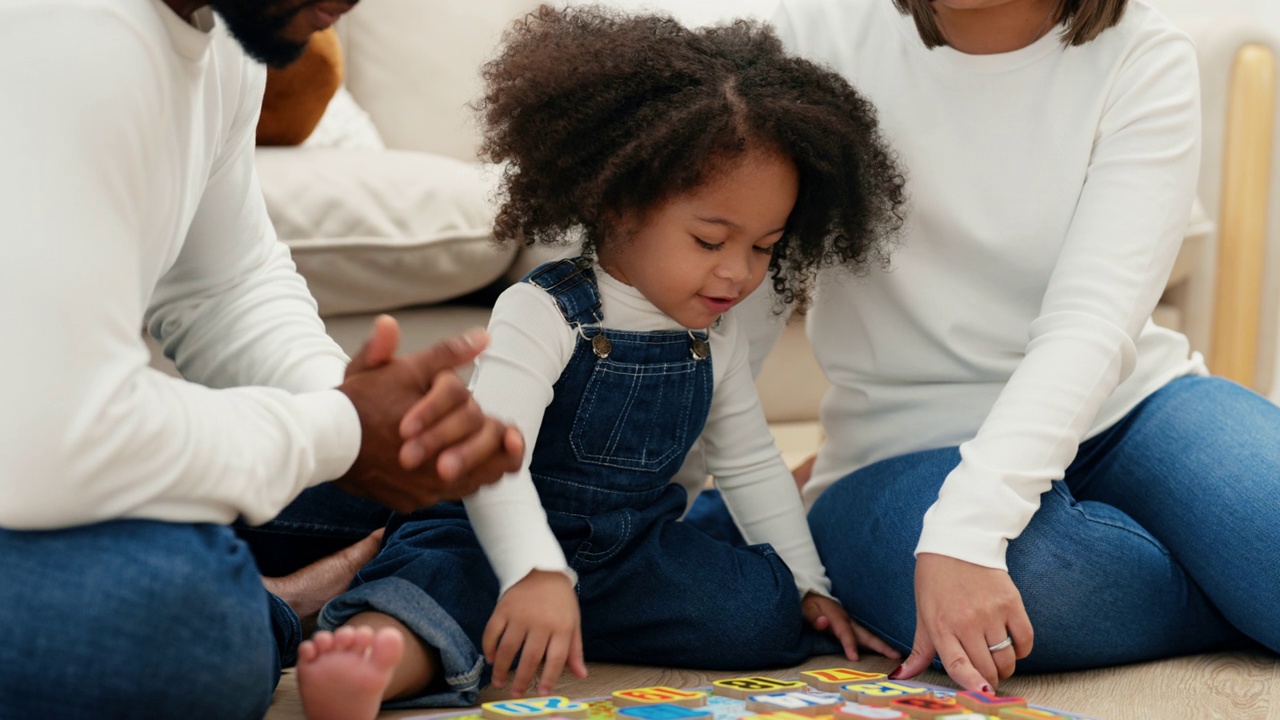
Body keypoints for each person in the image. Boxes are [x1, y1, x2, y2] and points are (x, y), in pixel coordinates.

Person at [292, 6, 909, 718]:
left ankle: (549, 622)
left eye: (764, 247)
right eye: (711, 240)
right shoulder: (543, 310)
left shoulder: (718, 332)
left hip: (630, 552)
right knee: (435, 583)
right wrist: (534, 570)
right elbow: (499, 463)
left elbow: (749, 464)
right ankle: (374, 660)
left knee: (761, 613)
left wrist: (808, 583)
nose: (738, 274)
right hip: (493, 534)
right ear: (619, 202)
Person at [694, 0, 1280, 696]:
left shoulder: (1144, 55)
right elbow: (724, 310)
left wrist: (966, 533)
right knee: (1044, 587)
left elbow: (1090, 323)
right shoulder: (810, 38)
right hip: (902, 449)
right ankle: (1235, 588)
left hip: (1131, 410)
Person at [0, 1, 525, 717]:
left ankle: (255, 583)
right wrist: (338, 430)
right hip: (36, 448)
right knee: (179, 626)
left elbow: (223, 283)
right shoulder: (65, 33)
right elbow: (53, 433)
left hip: (39, 448)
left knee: (473, 497)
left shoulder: (225, 38)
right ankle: (273, 607)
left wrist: (365, 415)